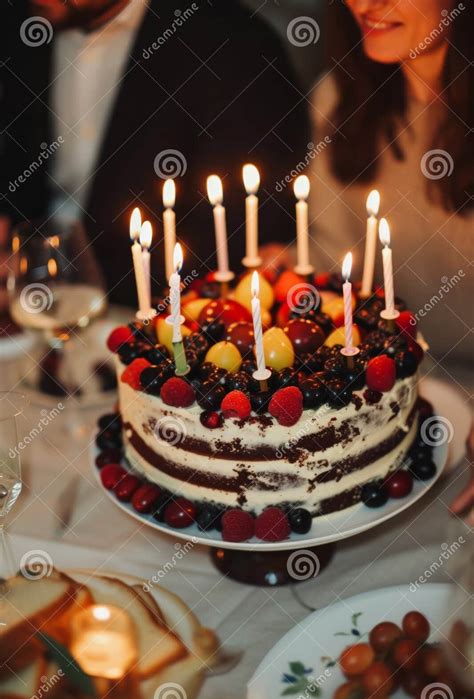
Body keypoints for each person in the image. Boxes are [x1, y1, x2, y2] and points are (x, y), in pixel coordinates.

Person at [0, 0, 310, 305]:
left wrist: (53, 275)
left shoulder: (233, 45)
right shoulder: (19, 22)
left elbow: (239, 236)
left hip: (150, 316)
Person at [304, 1, 473, 520]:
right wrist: (282, 267)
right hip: (386, 409)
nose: (366, 4)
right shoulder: (341, 97)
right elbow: (335, 256)